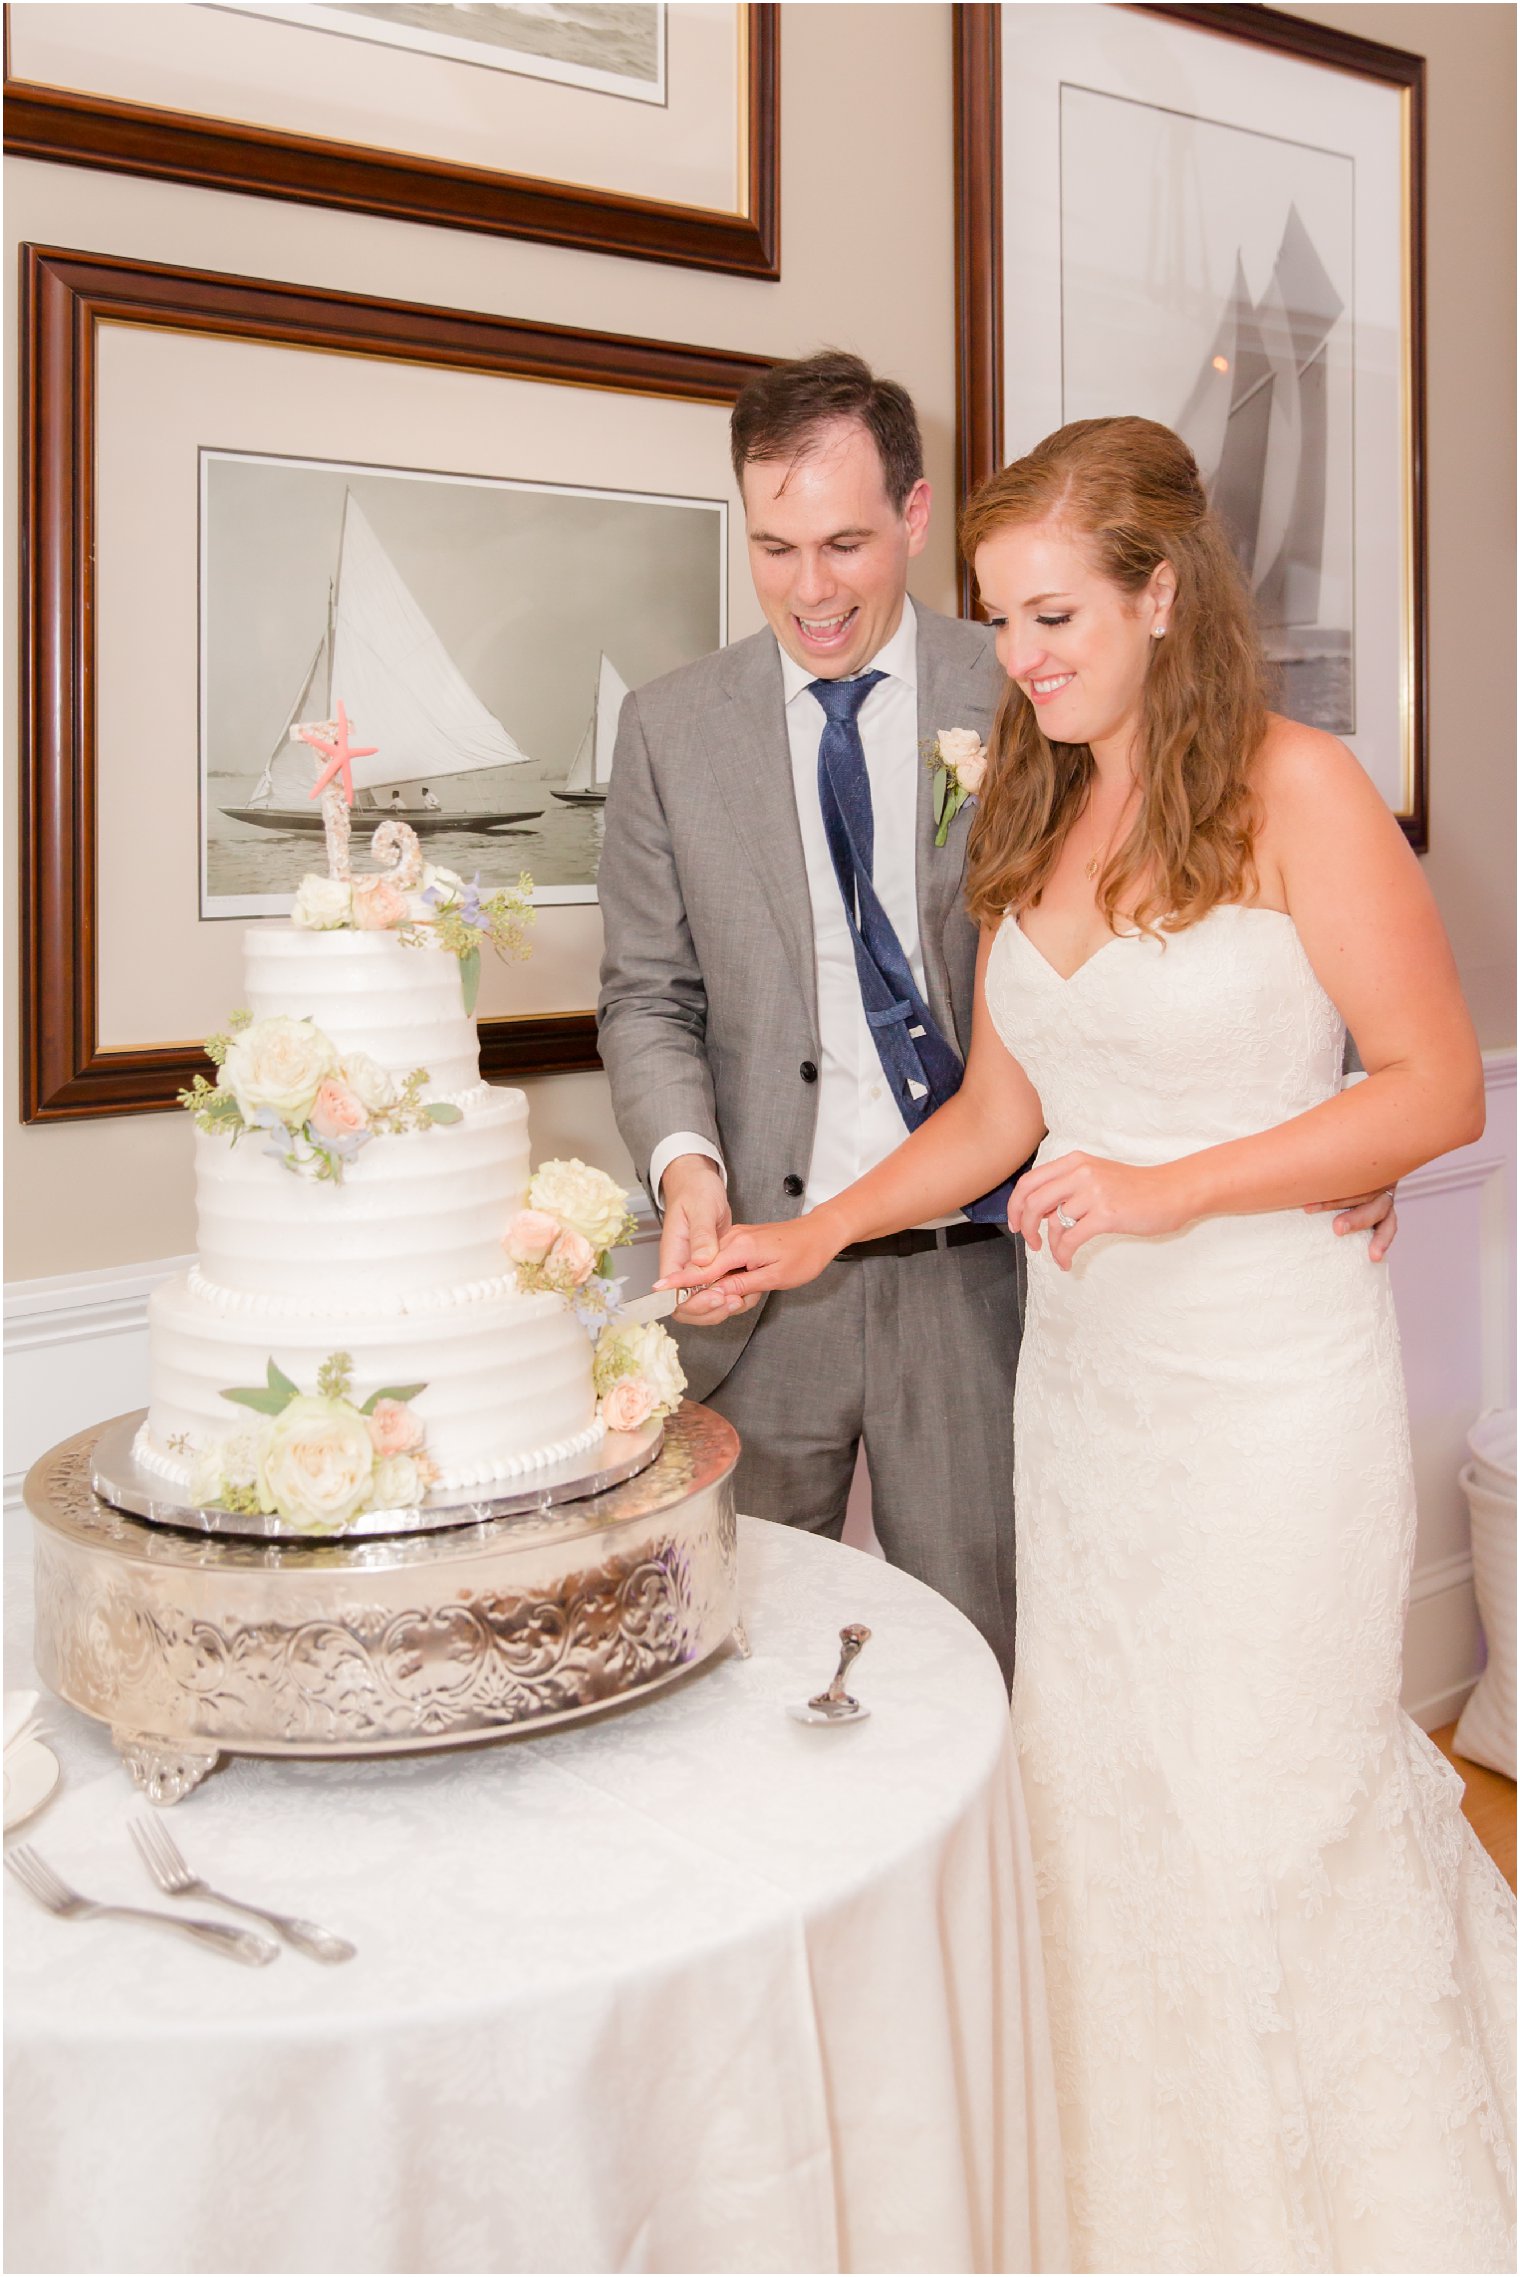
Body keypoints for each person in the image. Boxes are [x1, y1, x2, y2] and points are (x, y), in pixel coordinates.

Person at [670, 416, 1516, 2270]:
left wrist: (1170, 1189)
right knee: (1112, 1801)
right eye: (999, 616)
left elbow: (1437, 1086)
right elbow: (995, 1116)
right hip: (1095, 1407)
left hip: (1273, 1394)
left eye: (1053, 613)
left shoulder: (1302, 789)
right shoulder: (1034, 798)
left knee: (1264, 1803)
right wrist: (803, 1232)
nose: (1022, 654)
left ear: (1161, 593)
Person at [599, 353, 1396, 1688]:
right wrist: (703, 1175)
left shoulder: (1038, 689)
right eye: (777, 546)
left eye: (847, 542)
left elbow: (1242, 922)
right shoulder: (674, 729)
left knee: (1000, 1676)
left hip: (1002, 1283)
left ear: (915, 517)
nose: (813, 588)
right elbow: (647, 995)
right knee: (728, 1669)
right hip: (766, 1276)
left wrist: (1359, 1127)